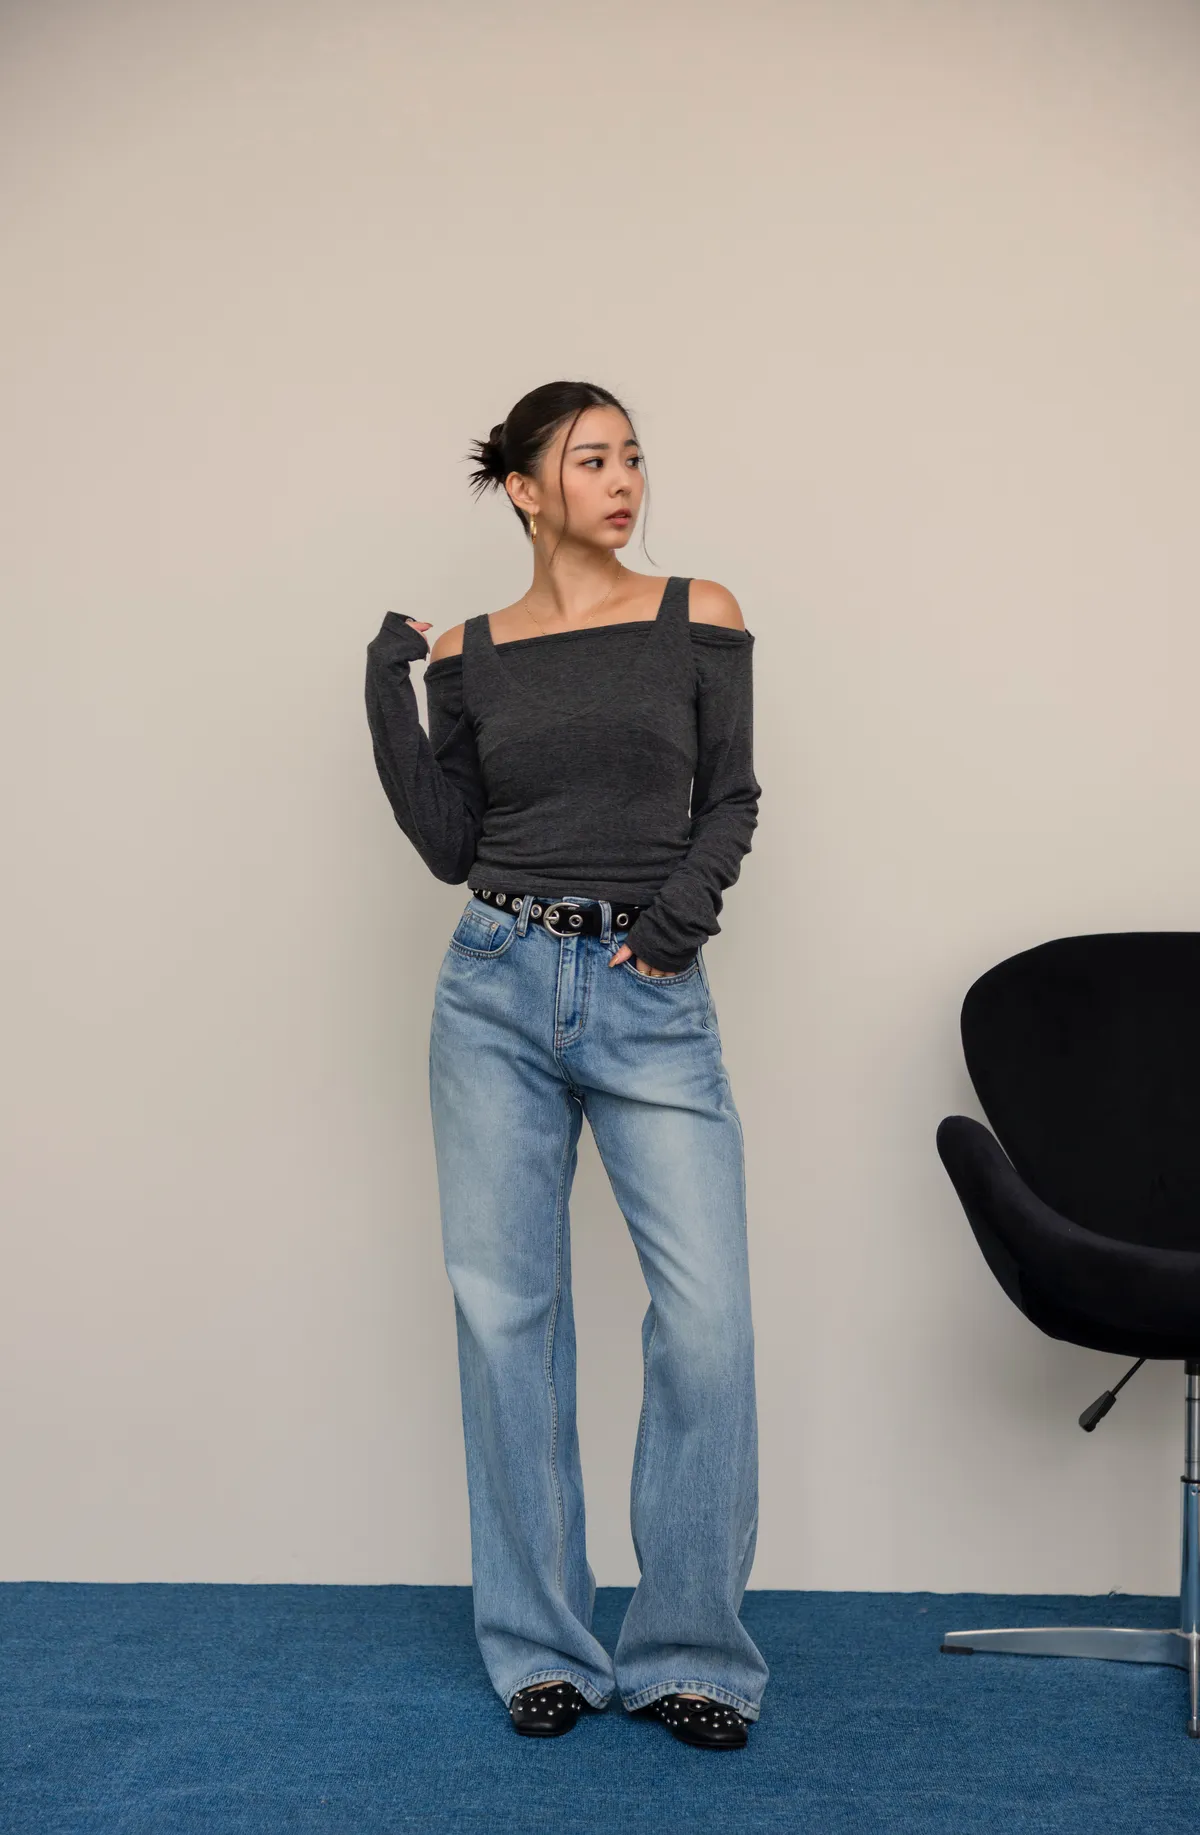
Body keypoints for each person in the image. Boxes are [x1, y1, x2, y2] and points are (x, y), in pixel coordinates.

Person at [363, 380, 767, 1749]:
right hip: (492, 985)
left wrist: (669, 932)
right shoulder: (470, 652)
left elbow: (732, 795)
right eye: (592, 459)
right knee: (508, 1325)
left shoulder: (696, 612)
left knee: (705, 1325)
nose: (624, 479)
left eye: (633, 456)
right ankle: (541, 1646)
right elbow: (449, 843)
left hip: (647, 992)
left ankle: (691, 1654)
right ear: (526, 490)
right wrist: (388, 689)